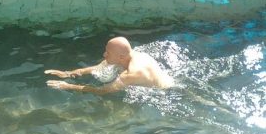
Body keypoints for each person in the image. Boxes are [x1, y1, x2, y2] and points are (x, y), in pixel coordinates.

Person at [45, 36, 174, 95]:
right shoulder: (131, 54)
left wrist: (68, 86)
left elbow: (104, 91)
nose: (104, 54)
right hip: (169, 80)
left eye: (108, 53)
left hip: (166, 92)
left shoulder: (130, 74)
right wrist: (68, 73)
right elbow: (99, 67)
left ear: (121, 57)